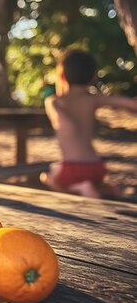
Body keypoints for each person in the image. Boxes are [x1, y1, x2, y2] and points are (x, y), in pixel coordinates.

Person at [42, 49, 137, 198]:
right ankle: (109, 189)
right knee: (93, 183)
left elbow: (60, 120)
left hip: (72, 167)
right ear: (93, 77)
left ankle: (81, 188)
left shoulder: (54, 101)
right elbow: (131, 105)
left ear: (62, 75)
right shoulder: (93, 99)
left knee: (49, 179)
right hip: (96, 166)